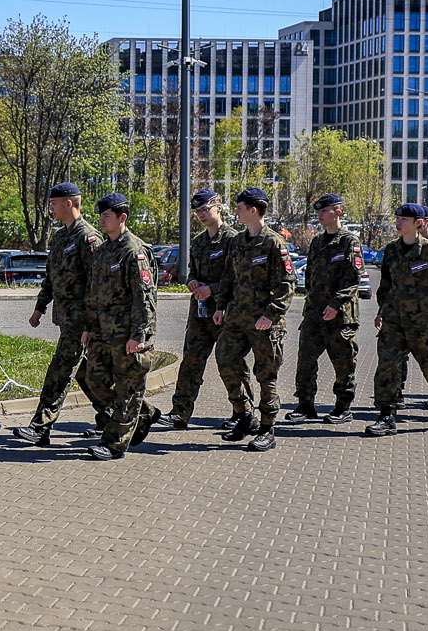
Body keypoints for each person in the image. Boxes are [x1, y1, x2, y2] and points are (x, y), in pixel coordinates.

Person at [18, 181, 106, 448]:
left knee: (60, 370)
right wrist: (40, 307)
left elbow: (97, 283)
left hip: (81, 321)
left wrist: (90, 323)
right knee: (86, 374)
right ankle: (114, 415)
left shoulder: (88, 238)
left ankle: (40, 426)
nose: (50, 208)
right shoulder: (59, 237)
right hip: (65, 318)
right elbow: (51, 277)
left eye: (54, 203)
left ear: (69, 203)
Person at [364, 203, 428, 438]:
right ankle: (386, 415)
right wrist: (381, 312)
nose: (398, 222)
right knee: (387, 366)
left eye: (404, 219)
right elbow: (386, 286)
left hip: (422, 322)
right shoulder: (391, 250)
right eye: (397, 218)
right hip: (394, 321)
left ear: (418, 224)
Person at [79, 192, 162, 459]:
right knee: (94, 379)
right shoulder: (103, 251)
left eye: (107, 216)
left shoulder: (134, 251)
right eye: (100, 216)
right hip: (103, 330)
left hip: (128, 332)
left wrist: (139, 334)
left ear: (122, 218)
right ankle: (145, 412)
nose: (101, 221)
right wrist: (88, 327)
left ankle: (115, 444)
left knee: (128, 388)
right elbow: (93, 294)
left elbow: (144, 296)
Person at [212, 187, 290, 451]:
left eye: (240, 207)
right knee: (225, 361)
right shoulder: (236, 241)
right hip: (236, 318)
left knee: (266, 375)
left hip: (264, 322)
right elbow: (227, 278)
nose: (236, 211)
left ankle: (268, 429)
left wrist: (271, 314)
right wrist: (221, 306)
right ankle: (245, 414)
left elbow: (286, 283)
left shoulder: (273, 242)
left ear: (252, 210)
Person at [160, 189, 235, 432]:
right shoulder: (199, 241)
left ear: (219, 207)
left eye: (205, 209)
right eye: (198, 211)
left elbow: (238, 278)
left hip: (225, 312)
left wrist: (211, 289)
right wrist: (191, 281)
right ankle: (179, 413)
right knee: (191, 362)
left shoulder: (233, 239)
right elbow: (192, 271)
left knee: (230, 364)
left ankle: (241, 412)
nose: (201, 215)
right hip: (200, 313)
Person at [287, 194, 362, 424]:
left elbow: (353, 277)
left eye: (325, 210)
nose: (320, 214)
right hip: (314, 313)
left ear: (338, 212)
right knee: (306, 360)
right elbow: (310, 275)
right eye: (318, 211)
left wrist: (335, 304)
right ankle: (305, 405)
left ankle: (342, 407)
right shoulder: (318, 241)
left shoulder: (350, 241)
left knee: (343, 362)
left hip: (339, 315)